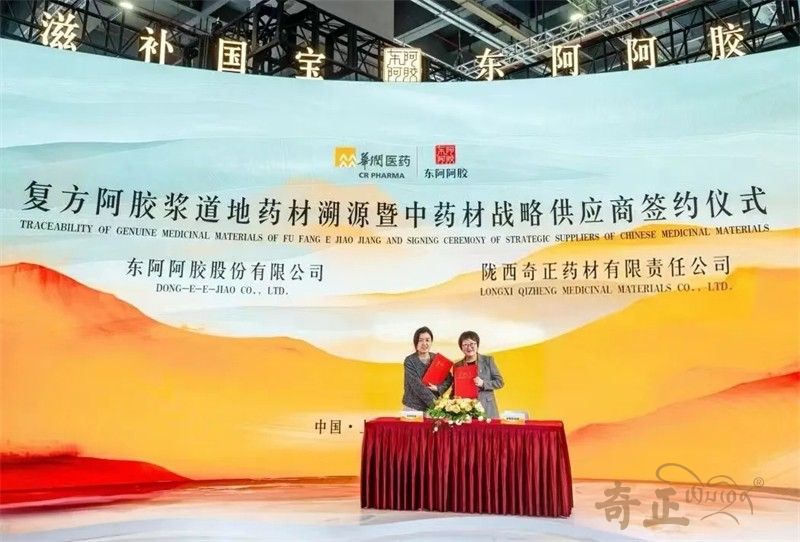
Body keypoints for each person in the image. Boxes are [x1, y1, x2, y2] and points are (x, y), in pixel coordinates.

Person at [453, 331, 504, 418]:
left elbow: (500, 382)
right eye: (465, 345)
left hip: (487, 408)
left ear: (477, 345)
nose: (469, 347)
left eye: (472, 343)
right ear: (461, 347)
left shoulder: (488, 360)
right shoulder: (457, 365)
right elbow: (455, 387)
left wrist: (483, 383)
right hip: (466, 410)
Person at [402, 326, 452, 411]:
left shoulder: (437, 358)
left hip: (432, 409)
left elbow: (449, 379)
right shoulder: (410, 360)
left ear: (431, 342)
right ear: (415, 342)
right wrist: (437, 405)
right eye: (420, 340)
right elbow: (418, 386)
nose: (424, 343)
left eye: (427, 340)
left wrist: (438, 388)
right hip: (413, 407)